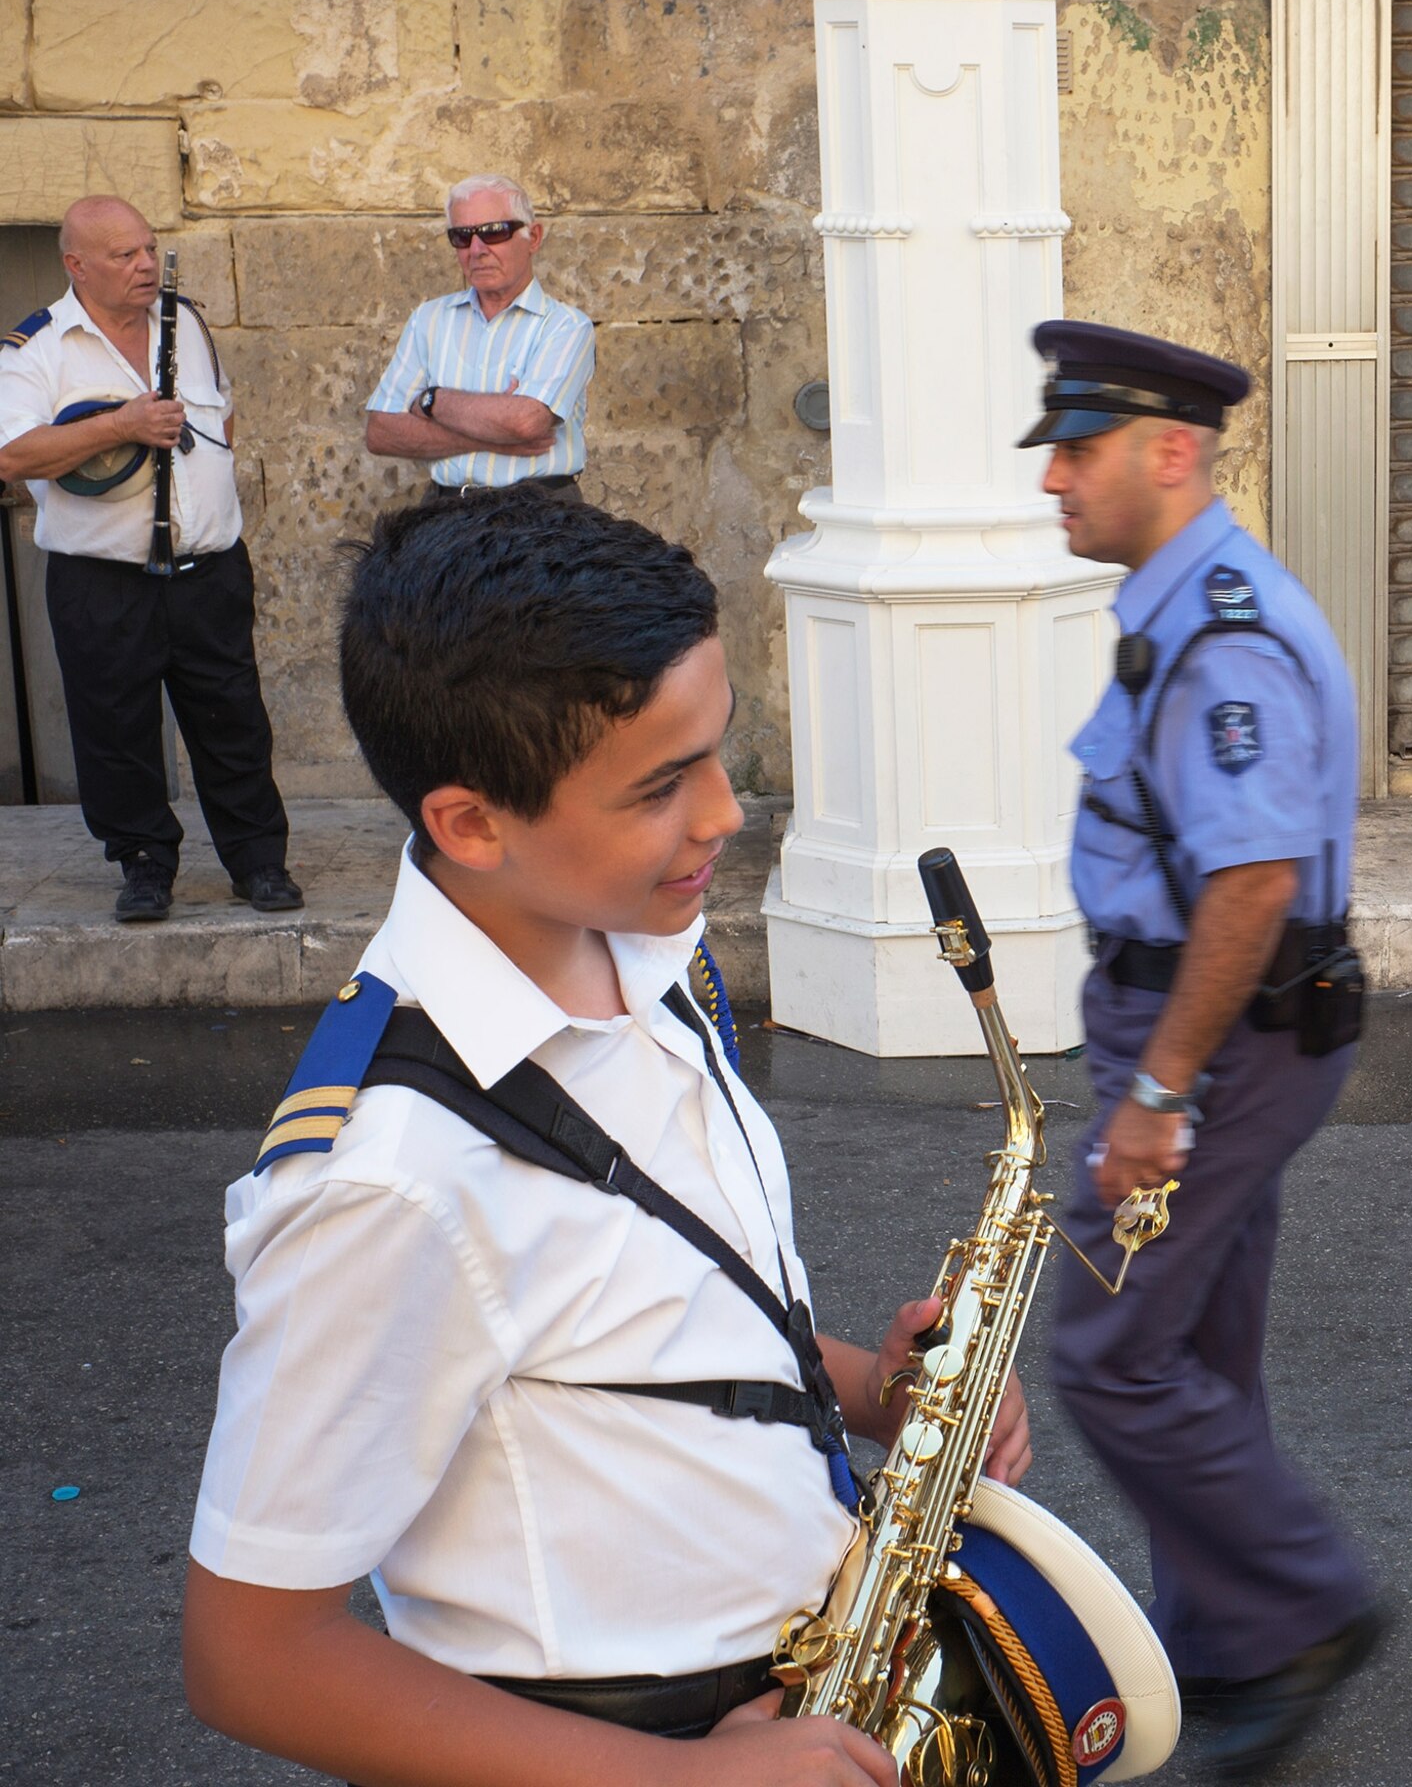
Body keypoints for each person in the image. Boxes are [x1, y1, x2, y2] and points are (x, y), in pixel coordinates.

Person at [184, 491, 1026, 1786]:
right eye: (658, 786)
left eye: (716, 751)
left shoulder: (634, 923)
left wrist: (866, 1387)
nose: (724, 817)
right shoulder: (389, 1183)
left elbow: (638, 1303)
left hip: (801, 1679)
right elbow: (253, 1655)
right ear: (472, 823)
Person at [1031, 319, 1387, 1779]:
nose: (1054, 478)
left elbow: (1249, 883)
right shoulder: (1183, 602)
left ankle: (1305, 1609)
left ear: (1168, 454)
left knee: (1110, 1349)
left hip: (1217, 1039)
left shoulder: (1221, 634)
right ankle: (1230, 1647)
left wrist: (1160, 1099)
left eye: (1078, 448)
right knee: (1192, 1347)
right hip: (1214, 1025)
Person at [0, 194, 299, 923]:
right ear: (76, 264)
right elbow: (10, 454)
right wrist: (122, 425)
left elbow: (221, 413)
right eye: (122, 255)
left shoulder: (185, 321)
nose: (143, 264)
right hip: (103, 581)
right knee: (115, 729)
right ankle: (143, 866)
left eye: (146, 247)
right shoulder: (35, 350)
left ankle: (257, 861)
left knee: (233, 721)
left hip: (208, 570)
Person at [363, 175, 597, 499]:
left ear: (534, 237)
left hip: (541, 516)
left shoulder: (566, 326)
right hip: (445, 513)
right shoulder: (429, 320)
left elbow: (525, 424)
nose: (477, 249)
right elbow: (381, 433)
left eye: (494, 232)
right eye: (462, 236)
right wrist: (488, 437)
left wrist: (432, 401)